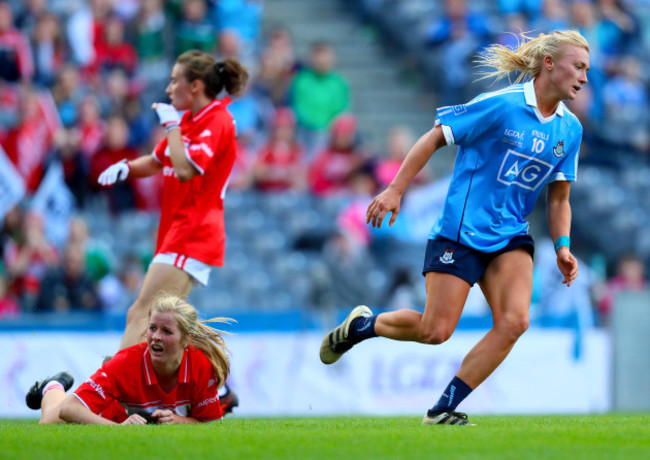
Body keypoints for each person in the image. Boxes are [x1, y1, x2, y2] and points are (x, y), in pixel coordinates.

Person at [320, 30, 588, 426]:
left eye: (587, 69)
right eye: (578, 66)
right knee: (435, 331)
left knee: (515, 322)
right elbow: (434, 138)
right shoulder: (501, 105)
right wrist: (395, 190)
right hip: (460, 232)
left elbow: (559, 198)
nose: (583, 77)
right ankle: (362, 326)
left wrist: (562, 246)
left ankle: (443, 407)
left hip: (511, 235)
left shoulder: (570, 130)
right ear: (549, 64)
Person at [97, 50, 248, 350]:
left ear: (195, 86)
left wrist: (172, 126)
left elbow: (184, 169)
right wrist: (126, 167)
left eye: (174, 80)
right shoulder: (191, 121)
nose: (168, 89)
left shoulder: (217, 121)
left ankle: (112, 388)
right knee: (169, 322)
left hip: (193, 231)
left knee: (143, 314)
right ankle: (215, 386)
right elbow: (156, 160)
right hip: (178, 230)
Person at [25, 294, 231, 424]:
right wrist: (118, 429)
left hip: (132, 416)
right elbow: (69, 409)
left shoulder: (201, 364)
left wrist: (177, 420)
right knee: (50, 423)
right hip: (113, 412)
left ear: (187, 340)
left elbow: (209, 423)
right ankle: (52, 386)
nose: (156, 336)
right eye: (152, 328)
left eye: (166, 331)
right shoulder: (125, 363)